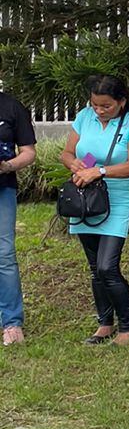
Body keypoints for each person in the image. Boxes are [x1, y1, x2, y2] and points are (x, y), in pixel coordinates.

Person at [60, 76, 129, 345]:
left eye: (106, 106)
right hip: (86, 199)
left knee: (107, 267)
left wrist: (98, 171)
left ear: (121, 102)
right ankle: (104, 324)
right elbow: (66, 152)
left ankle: (128, 328)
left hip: (116, 199)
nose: (99, 110)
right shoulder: (85, 117)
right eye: (95, 104)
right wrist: (76, 165)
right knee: (94, 268)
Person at [0, 87, 38, 345]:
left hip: (2, 189)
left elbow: (29, 152)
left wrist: (7, 166)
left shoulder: (13, 107)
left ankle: (12, 322)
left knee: (4, 255)